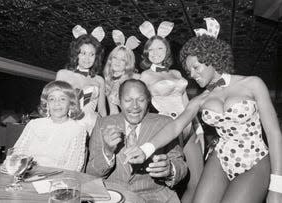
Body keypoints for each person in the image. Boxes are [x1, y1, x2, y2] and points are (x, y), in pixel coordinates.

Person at [125, 17, 282, 203]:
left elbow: (273, 133)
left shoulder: (253, 84)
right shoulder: (200, 99)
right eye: (189, 70)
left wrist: (277, 186)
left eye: (196, 67)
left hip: (255, 159)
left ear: (212, 58)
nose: (192, 74)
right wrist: (145, 148)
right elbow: (176, 126)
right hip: (221, 158)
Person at [86, 79, 188, 203]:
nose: (135, 106)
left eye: (141, 100)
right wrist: (107, 152)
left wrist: (170, 170)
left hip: (155, 197)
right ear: (118, 100)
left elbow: (181, 165)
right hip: (112, 196)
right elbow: (91, 174)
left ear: (148, 100)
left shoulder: (165, 123)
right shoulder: (103, 123)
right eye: (128, 100)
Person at [138, 20, 204, 203]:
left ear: (166, 50)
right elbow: (142, 104)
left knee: (197, 180)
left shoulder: (176, 74)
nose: (155, 53)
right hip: (168, 130)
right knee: (168, 181)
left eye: (160, 48)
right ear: (146, 53)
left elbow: (187, 102)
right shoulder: (145, 76)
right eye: (151, 49)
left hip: (188, 126)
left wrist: (198, 128)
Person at [7, 80, 88, 171]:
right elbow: (16, 154)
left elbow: (74, 167)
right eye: (52, 99)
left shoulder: (77, 130)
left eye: (62, 99)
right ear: (46, 104)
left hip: (57, 180)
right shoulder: (34, 125)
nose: (57, 103)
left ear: (71, 103)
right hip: (25, 174)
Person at [56, 25, 106, 134]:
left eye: (91, 54)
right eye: (83, 53)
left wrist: (104, 130)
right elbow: (56, 103)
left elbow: (102, 110)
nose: (87, 58)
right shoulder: (63, 74)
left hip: (91, 126)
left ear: (96, 57)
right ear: (76, 54)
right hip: (66, 125)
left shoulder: (99, 80)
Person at [104, 30, 141, 115]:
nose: (118, 62)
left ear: (128, 63)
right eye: (115, 58)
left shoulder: (136, 78)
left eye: (123, 59)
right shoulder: (109, 81)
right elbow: (113, 111)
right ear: (110, 59)